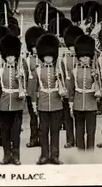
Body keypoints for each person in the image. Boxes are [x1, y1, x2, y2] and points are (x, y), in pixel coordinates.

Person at [29, 33, 66, 165]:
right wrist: (34, 103)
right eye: (46, 56)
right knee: (43, 131)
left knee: (55, 131)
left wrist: (60, 78)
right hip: (43, 103)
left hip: (56, 103)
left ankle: (54, 156)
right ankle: (44, 155)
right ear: (42, 56)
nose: (48, 58)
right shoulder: (37, 70)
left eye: (50, 56)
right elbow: (33, 89)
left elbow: (64, 87)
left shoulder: (59, 68)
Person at [68, 35, 101, 151]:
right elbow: (71, 89)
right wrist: (71, 105)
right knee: (79, 131)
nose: (86, 59)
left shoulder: (96, 70)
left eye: (87, 56)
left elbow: (99, 88)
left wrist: (95, 78)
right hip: (78, 104)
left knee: (91, 131)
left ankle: (90, 153)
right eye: (83, 57)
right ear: (79, 58)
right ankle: (80, 153)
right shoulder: (74, 71)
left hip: (91, 104)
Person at [0, 34, 25, 165]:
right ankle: (6, 155)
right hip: (4, 103)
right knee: (5, 132)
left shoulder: (21, 70)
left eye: (12, 56)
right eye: (8, 56)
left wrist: (21, 79)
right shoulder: (0, 71)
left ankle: (16, 155)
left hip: (17, 105)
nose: (10, 58)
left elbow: (25, 89)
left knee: (16, 132)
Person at [60, 25, 86, 149]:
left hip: (79, 90)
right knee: (68, 117)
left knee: (79, 116)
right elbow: (62, 75)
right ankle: (70, 139)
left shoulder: (82, 59)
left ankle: (80, 138)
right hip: (68, 89)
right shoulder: (64, 59)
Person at [23, 26, 45, 148]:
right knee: (33, 117)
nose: (35, 49)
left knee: (41, 116)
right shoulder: (27, 59)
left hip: (41, 89)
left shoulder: (44, 60)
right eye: (34, 46)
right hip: (30, 90)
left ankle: (42, 138)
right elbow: (25, 75)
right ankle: (33, 138)